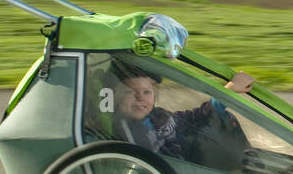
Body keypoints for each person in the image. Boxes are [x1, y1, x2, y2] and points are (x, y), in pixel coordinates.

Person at [107, 61, 253, 164]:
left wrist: (229, 90)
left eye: (146, 92)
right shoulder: (126, 130)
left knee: (225, 118)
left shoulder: (157, 115)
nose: (140, 97)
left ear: (154, 96)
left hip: (195, 153)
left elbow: (193, 117)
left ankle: (250, 162)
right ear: (117, 97)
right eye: (130, 92)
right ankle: (248, 168)